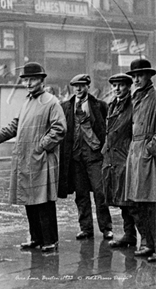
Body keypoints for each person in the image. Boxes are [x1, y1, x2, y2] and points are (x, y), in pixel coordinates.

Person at [0, 62, 66, 253]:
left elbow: (59, 129)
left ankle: (50, 240)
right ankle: (36, 238)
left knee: (44, 202)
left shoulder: (51, 102)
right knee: (29, 201)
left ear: (42, 80)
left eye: (32, 79)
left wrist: (41, 147)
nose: (28, 83)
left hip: (41, 160)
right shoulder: (27, 102)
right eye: (26, 80)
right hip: (26, 159)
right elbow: (14, 126)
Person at [59, 74, 113, 240]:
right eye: (76, 86)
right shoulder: (65, 107)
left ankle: (106, 228)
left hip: (94, 155)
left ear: (88, 86)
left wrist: (104, 150)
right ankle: (86, 228)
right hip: (75, 158)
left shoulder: (100, 106)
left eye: (82, 85)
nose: (79, 89)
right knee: (81, 195)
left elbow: (108, 129)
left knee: (100, 192)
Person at [102, 73, 146, 248]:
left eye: (121, 85)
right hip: (112, 158)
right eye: (114, 86)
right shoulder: (112, 105)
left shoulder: (133, 105)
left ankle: (147, 240)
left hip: (126, 156)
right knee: (122, 201)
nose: (117, 89)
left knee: (133, 203)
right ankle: (129, 235)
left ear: (128, 87)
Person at [125, 58, 156, 261]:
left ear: (149, 76)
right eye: (134, 76)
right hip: (134, 153)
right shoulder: (136, 97)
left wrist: (150, 147)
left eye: (140, 75)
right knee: (136, 203)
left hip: (148, 154)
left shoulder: (154, 97)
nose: (136, 79)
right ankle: (146, 242)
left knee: (151, 203)